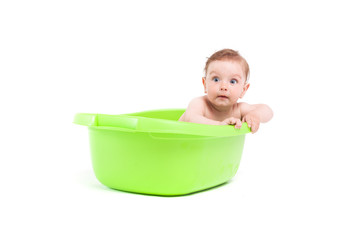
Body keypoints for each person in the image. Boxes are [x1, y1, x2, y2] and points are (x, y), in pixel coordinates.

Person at [179, 49, 273, 133]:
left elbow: (268, 111)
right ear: (205, 84)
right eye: (216, 79)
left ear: (243, 90)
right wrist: (220, 125)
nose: (224, 87)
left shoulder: (239, 109)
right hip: (178, 146)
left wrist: (255, 115)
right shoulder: (199, 103)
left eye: (233, 81)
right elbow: (191, 119)